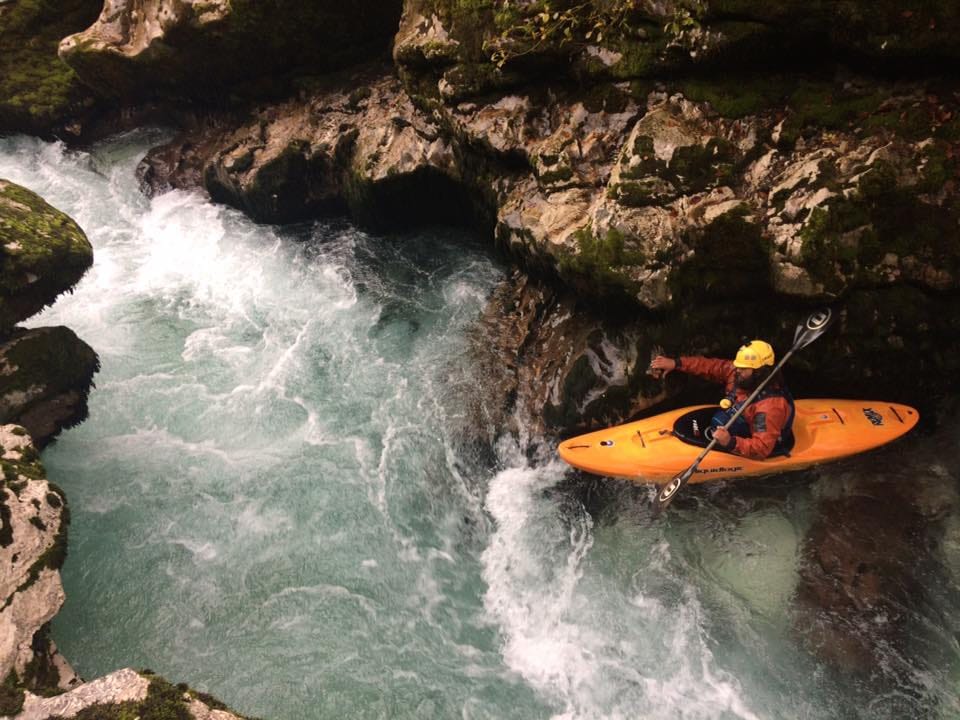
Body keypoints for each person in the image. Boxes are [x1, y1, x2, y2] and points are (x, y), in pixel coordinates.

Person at [649, 340, 795, 460]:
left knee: (721, 422)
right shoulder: (739, 372)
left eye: (743, 369)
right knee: (719, 420)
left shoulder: (769, 407)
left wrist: (730, 442)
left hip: (759, 439)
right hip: (740, 418)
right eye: (738, 367)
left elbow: (762, 448)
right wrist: (677, 363)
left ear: (759, 371)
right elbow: (710, 366)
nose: (738, 371)